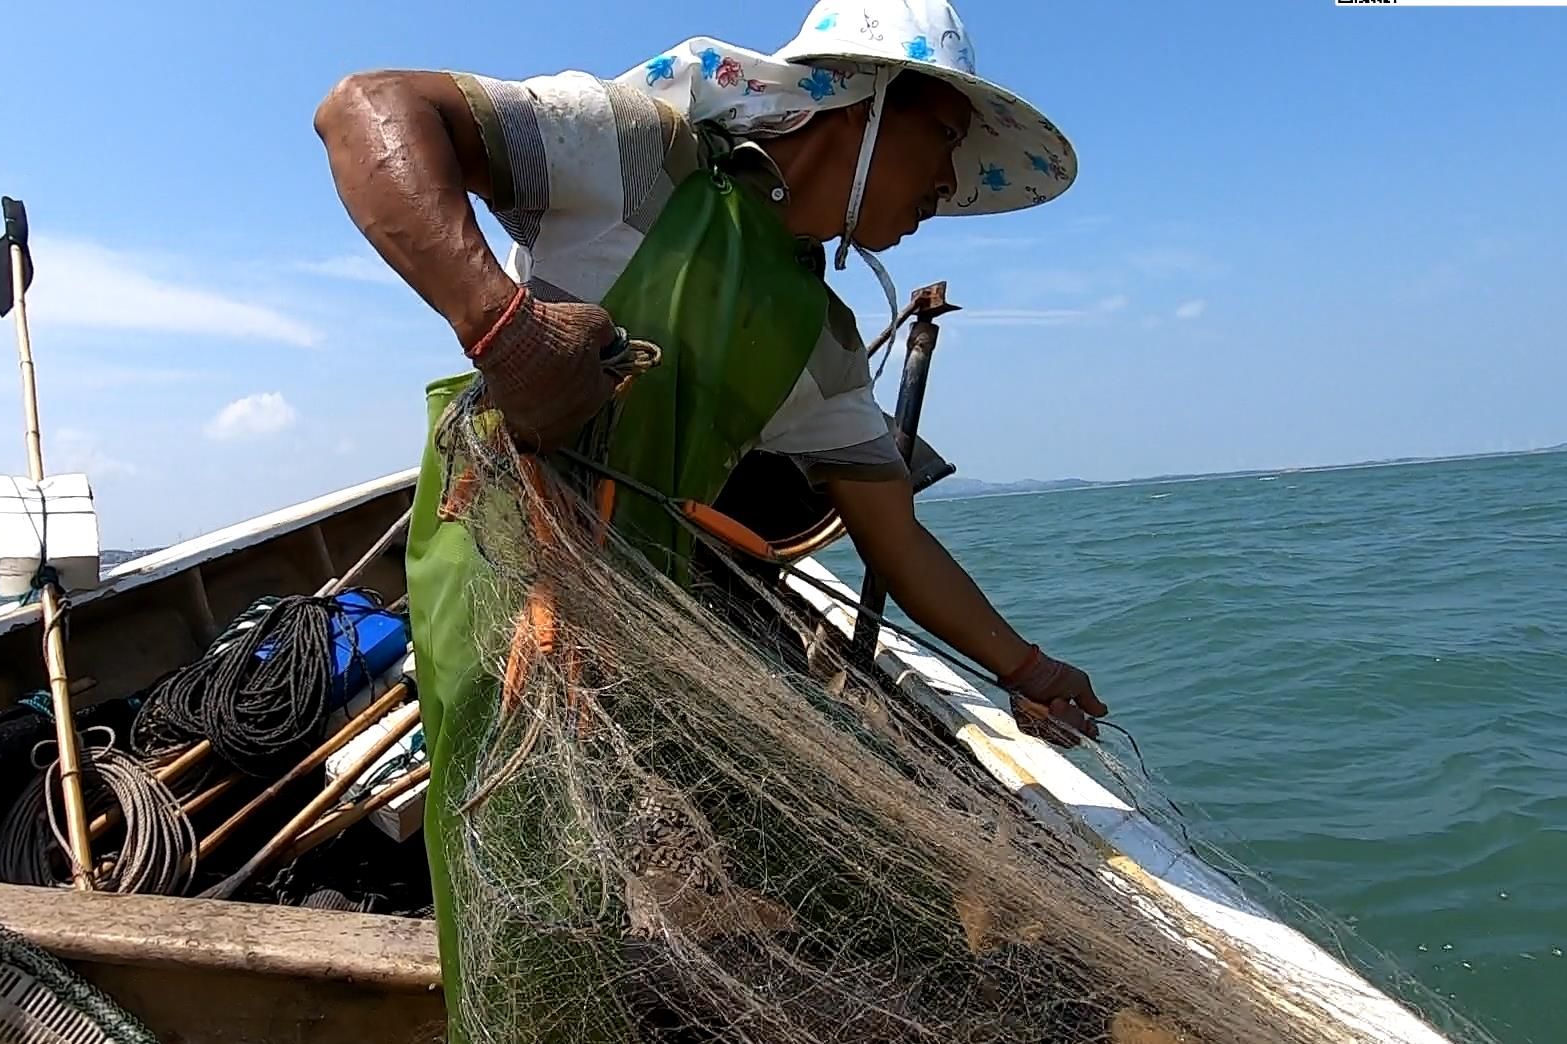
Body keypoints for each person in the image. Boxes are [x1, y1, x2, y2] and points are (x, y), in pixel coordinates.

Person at [316, 0, 1108, 1034]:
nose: (948, 187)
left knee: (845, 826)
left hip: (658, 610)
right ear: (864, 107)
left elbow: (898, 543)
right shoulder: (640, 152)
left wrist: (1027, 668)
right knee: (540, 899)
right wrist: (500, 325)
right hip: (515, 590)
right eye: (945, 144)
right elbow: (366, 110)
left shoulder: (817, 336)